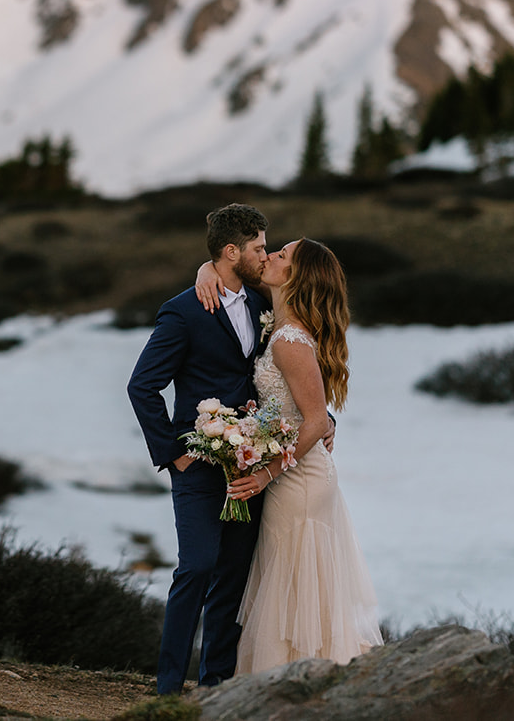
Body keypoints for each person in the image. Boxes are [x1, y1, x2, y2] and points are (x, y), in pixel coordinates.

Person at [126, 204, 335, 694]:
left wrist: (321, 416)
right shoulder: (184, 311)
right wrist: (174, 452)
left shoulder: (267, 303)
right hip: (198, 464)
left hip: (253, 464)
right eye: (260, 247)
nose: (267, 255)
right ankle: (168, 687)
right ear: (231, 251)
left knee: (234, 578)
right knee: (196, 567)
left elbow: (291, 373)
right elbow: (142, 387)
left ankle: (216, 684)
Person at [194, 237, 382, 673]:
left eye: (282, 255)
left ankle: (293, 685)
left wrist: (264, 476)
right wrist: (208, 270)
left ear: (295, 276)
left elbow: (315, 421)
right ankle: (296, 684)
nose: (270, 256)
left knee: (293, 594)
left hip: (298, 483)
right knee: (295, 592)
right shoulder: (279, 317)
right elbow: (233, 271)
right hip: (295, 477)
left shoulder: (288, 339)